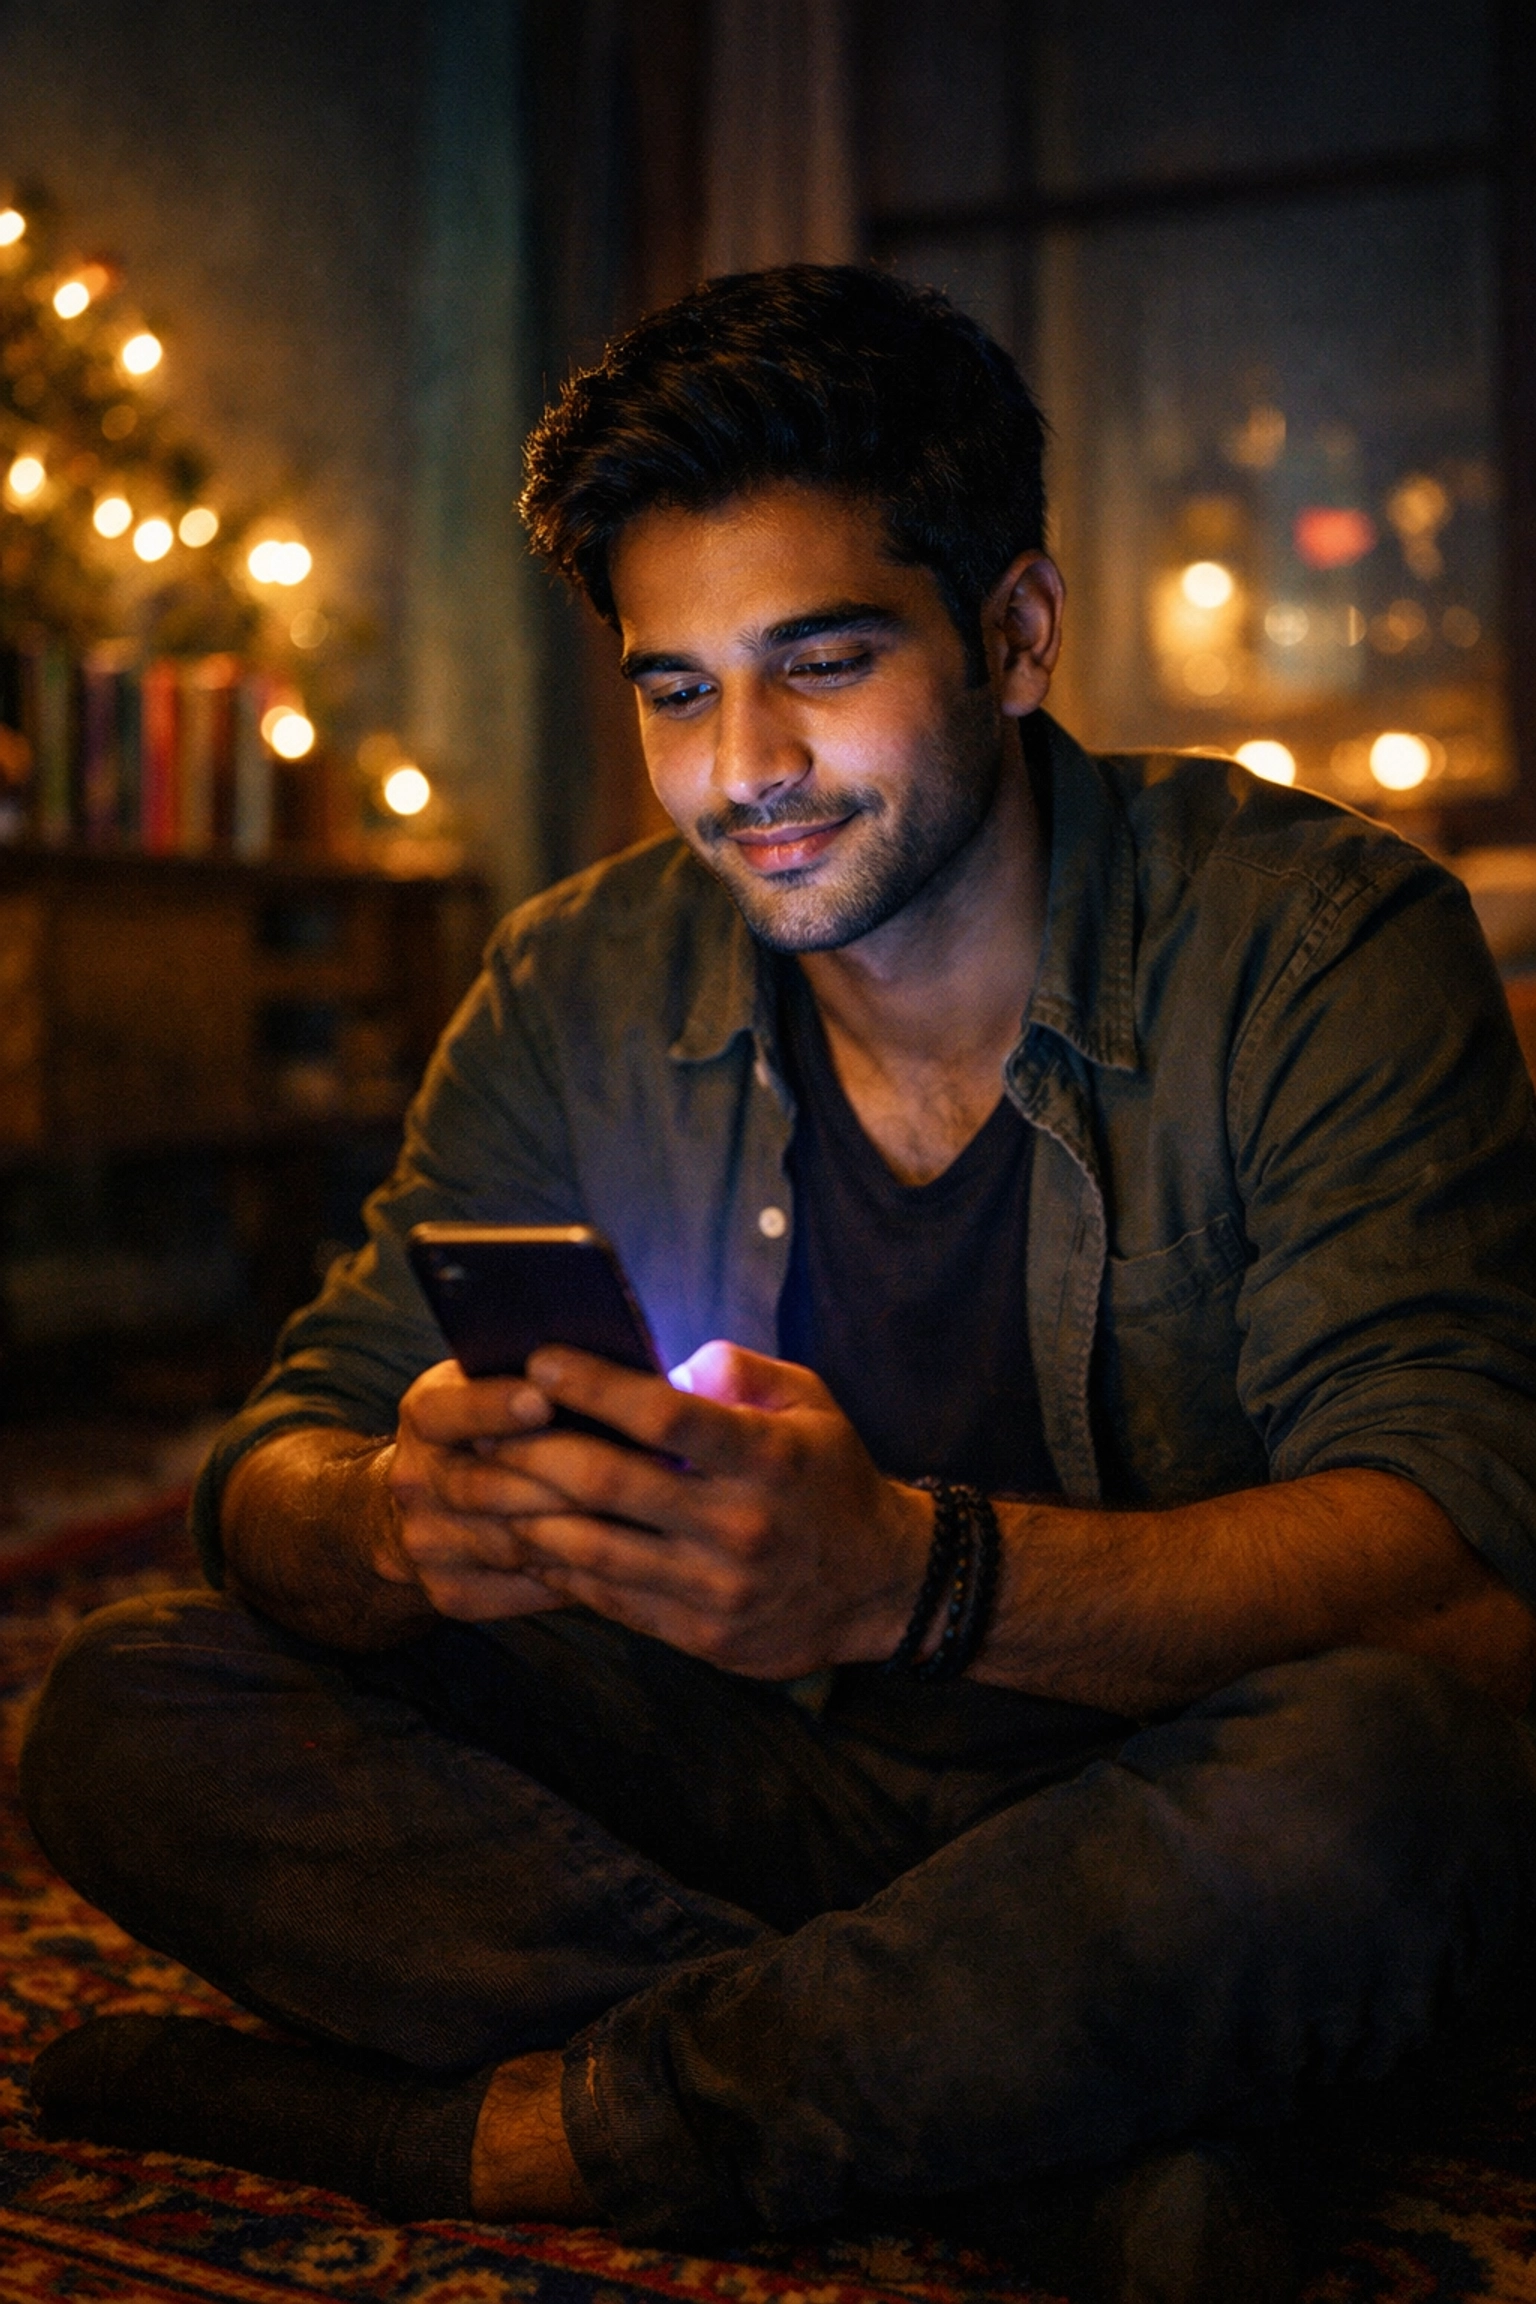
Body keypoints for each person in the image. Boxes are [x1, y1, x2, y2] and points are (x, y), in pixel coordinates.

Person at [21, 266, 1536, 2304]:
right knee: (130, 1698)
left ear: (1016, 633)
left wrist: (910, 1577)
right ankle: (1046, 2124)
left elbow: (1463, 1575)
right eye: (676, 689)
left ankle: (529, 2132)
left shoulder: (1317, 948)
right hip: (768, 1787)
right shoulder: (578, 979)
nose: (746, 768)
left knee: (1393, 1774)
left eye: (821, 664)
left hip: (1155, 1797)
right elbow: (282, 1452)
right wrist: (396, 1518)